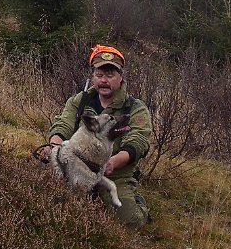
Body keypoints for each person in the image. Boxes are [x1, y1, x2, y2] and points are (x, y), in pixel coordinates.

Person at [45, 44, 153, 227]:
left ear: (121, 77)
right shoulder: (79, 101)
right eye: (99, 75)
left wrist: (114, 162)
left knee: (129, 222)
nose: (104, 80)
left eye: (110, 75)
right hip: (74, 165)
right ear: (93, 76)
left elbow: (139, 141)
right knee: (48, 198)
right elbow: (63, 124)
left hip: (115, 173)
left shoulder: (135, 108)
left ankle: (138, 204)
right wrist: (53, 145)